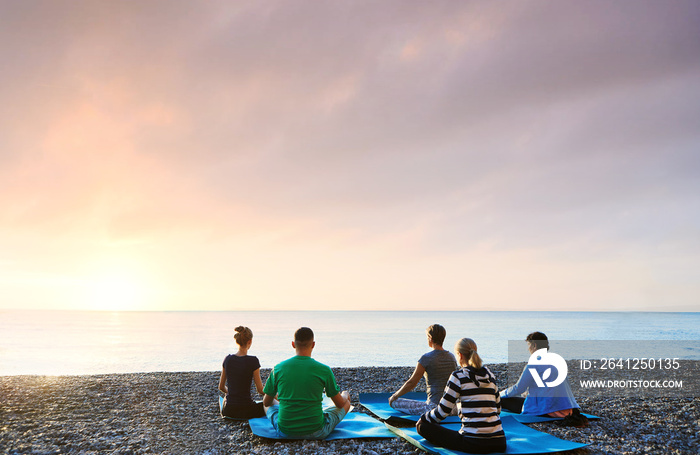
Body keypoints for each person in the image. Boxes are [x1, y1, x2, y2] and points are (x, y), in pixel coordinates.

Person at [417, 338, 506, 454]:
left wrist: (423, 418)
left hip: (473, 443)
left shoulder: (458, 376)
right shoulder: (490, 375)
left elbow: (443, 411)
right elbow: (498, 410)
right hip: (499, 442)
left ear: (459, 355)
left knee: (423, 427)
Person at [262, 327, 351, 439]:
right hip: (317, 431)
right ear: (313, 345)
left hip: (285, 431)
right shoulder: (324, 370)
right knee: (346, 402)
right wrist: (345, 394)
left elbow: (266, 402)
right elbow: (339, 404)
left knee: (267, 404)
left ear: (293, 344)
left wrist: (279, 397)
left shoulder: (278, 368)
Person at [500, 332, 583, 421]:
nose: (528, 349)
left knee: (501, 400)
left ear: (534, 345)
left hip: (546, 410)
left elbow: (518, 388)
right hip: (567, 409)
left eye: (529, 345)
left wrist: (500, 394)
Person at [389, 324, 457, 415]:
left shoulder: (426, 358)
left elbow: (412, 382)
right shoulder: (452, 357)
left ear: (430, 338)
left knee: (394, 402)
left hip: (434, 409)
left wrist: (395, 396)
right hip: (452, 409)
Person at [218, 326, 266, 419]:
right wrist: (274, 396)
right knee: (269, 404)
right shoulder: (253, 361)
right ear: (250, 341)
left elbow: (221, 387)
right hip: (247, 411)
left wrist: (232, 392)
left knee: (225, 398)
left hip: (228, 411)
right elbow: (260, 390)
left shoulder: (228, 359)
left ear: (237, 341)